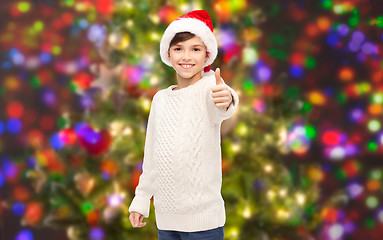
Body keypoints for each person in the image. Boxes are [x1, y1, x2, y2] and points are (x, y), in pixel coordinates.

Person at [128, 10, 239, 240]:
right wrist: (141, 199)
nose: (186, 56)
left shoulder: (210, 88)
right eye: (179, 48)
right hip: (167, 221)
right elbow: (152, 156)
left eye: (195, 49)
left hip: (204, 224)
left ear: (206, 54)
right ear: (168, 53)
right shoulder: (160, 99)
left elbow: (223, 104)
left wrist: (226, 98)